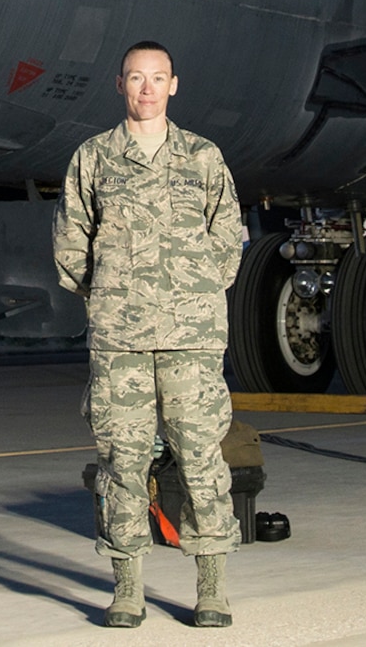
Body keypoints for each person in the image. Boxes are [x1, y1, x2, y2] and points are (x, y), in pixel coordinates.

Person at [54, 40, 244, 629]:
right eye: (136, 78)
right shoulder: (92, 159)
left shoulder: (203, 158)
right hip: (121, 342)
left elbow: (228, 237)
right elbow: (70, 246)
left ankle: (211, 587)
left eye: (157, 78)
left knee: (201, 459)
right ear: (119, 85)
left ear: (174, 85)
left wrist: (194, 295)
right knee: (121, 462)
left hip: (191, 338)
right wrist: (114, 297)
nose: (146, 88)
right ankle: (128, 589)